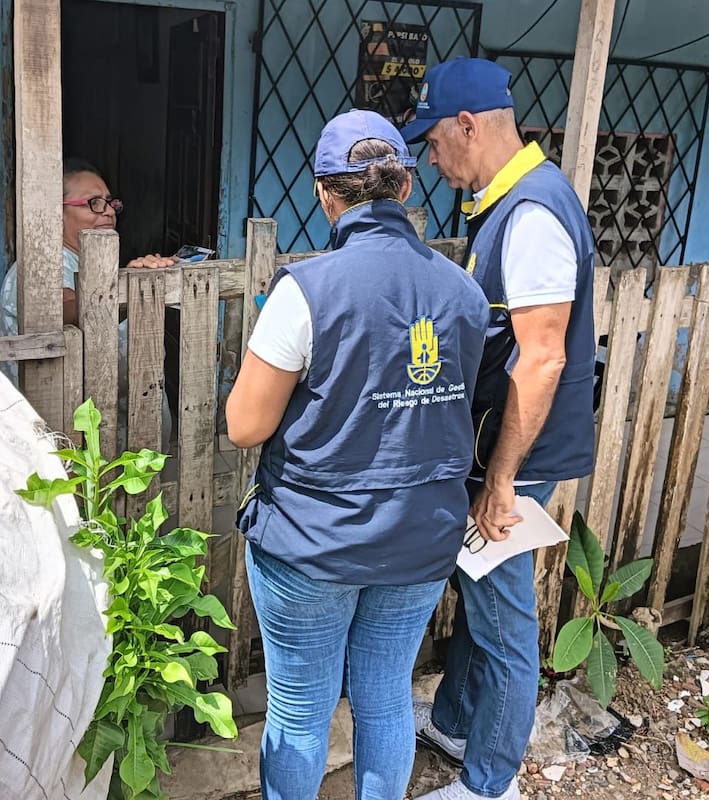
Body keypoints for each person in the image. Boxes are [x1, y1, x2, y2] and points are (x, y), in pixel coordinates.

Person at [226, 110, 489, 800]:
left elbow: (245, 425)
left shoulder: (307, 291)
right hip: (421, 539)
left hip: (313, 544)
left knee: (301, 710)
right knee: (384, 698)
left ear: (325, 194)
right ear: (405, 190)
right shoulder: (461, 290)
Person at [399, 59, 597, 800]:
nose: (433, 158)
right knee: (478, 588)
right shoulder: (507, 203)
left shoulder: (534, 213)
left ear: (469, 126)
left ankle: (490, 784)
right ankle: (454, 721)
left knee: (506, 619)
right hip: (497, 445)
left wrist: (504, 479)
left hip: (517, 453)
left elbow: (543, 356)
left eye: (435, 142)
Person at [0, 159, 177, 445]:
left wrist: (137, 281)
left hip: (120, 436)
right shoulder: (40, 265)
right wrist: (129, 290)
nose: (108, 211)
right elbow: (68, 311)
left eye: (109, 202)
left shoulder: (91, 265)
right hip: (72, 439)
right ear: (56, 213)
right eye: (93, 202)